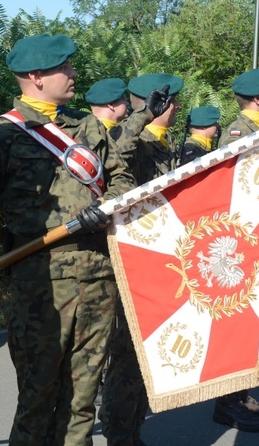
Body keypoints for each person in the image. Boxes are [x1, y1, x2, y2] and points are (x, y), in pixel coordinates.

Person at [0, 34, 136, 445]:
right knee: (37, 398)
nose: (73, 74)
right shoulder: (3, 134)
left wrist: (109, 205)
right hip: (42, 282)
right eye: (64, 67)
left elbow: (122, 177)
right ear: (35, 76)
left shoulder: (86, 126)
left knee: (81, 400)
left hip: (99, 275)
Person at [99, 72, 185, 445]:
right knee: (126, 359)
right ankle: (120, 435)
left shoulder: (162, 144)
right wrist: (141, 119)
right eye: (173, 102)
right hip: (131, 265)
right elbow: (115, 153)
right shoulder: (134, 141)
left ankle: (133, 432)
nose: (177, 108)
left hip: (158, 263)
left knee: (140, 361)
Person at [212, 68, 259, 432]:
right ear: (258, 99)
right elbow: (234, 182)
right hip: (241, 239)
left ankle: (241, 393)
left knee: (253, 321)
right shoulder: (238, 132)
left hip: (257, 235)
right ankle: (227, 403)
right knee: (236, 324)